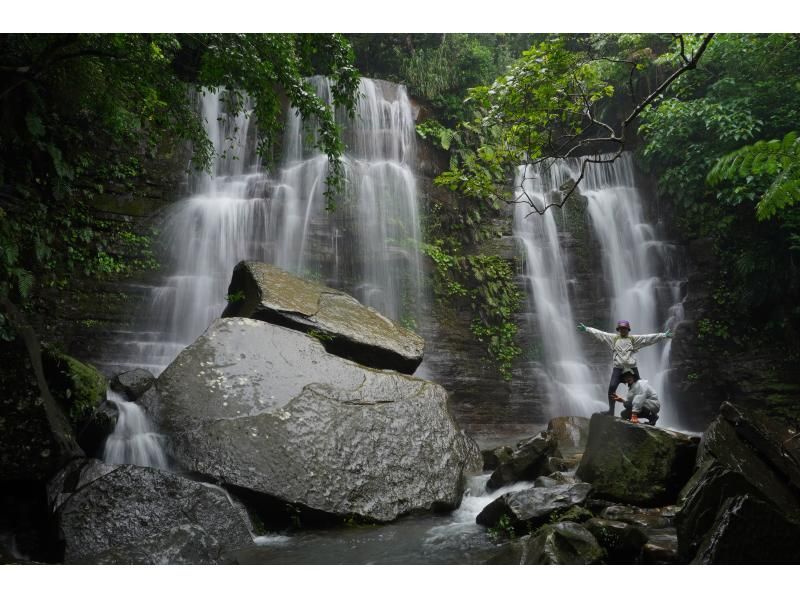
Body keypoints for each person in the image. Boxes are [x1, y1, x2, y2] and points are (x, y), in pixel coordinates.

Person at [577, 319, 672, 415]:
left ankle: (645, 410)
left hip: (632, 368)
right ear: (618, 329)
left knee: (640, 388)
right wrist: (586, 329)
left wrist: (663, 335)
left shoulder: (633, 339)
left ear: (628, 329)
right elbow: (601, 334)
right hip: (618, 368)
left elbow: (647, 339)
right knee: (612, 387)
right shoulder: (613, 339)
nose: (623, 330)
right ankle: (611, 411)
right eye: (621, 328)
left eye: (625, 328)